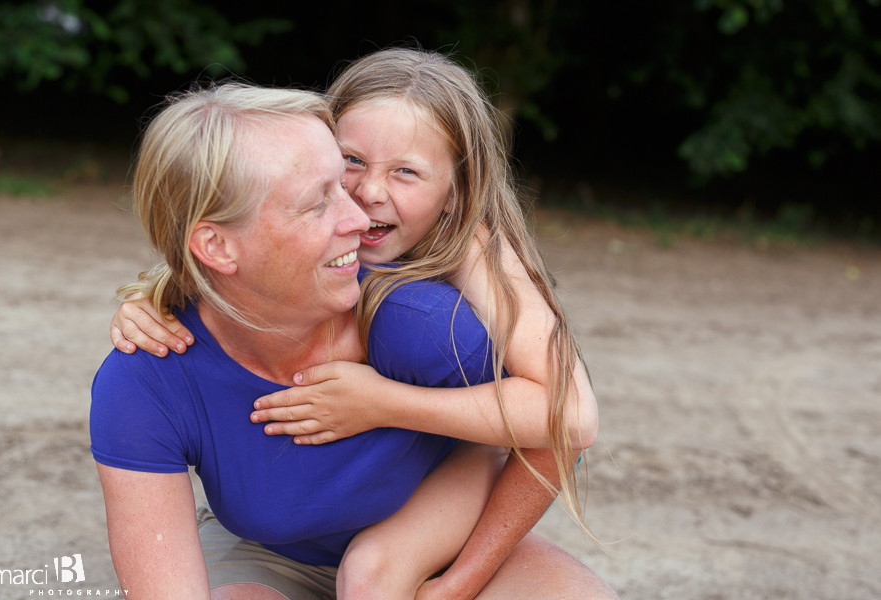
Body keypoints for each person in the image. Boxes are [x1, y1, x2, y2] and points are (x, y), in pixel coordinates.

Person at [103, 51, 616, 600]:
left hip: (436, 520)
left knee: (375, 573)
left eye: (406, 171)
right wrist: (153, 294)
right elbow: (237, 237)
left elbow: (569, 419)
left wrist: (385, 403)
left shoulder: (454, 279)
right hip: (275, 553)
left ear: (457, 195)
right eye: (349, 162)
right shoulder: (162, 353)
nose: (366, 196)